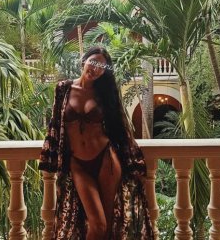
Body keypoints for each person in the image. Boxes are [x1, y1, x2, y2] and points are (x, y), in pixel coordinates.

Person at [38, 45, 155, 240]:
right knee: (97, 224)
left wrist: (134, 162)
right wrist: (51, 158)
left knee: (107, 225)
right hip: (77, 163)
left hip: (106, 160)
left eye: (102, 67)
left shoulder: (105, 94)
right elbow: (55, 124)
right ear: (84, 61)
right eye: (93, 62)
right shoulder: (63, 89)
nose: (95, 69)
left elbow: (120, 128)